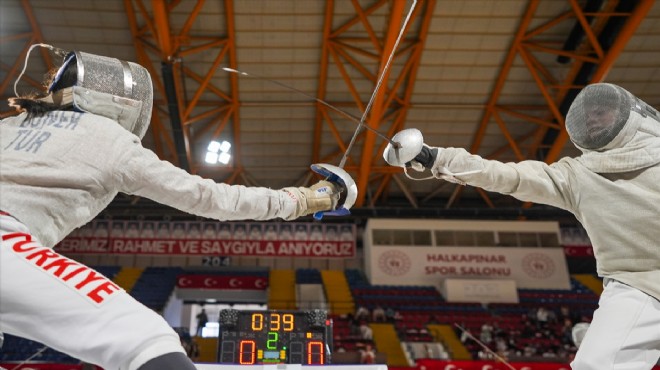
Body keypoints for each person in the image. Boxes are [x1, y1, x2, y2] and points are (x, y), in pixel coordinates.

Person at [0, 45, 344, 370]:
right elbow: (211, 198)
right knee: (145, 336)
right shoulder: (109, 137)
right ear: (118, 99)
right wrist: (307, 200)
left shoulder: (8, 124)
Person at [390, 82, 660, 370]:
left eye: (601, 112)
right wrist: (437, 158)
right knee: (595, 364)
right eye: (588, 116)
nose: (593, 119)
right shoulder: (576, 175)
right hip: (636, 285)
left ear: (629, 113)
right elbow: (509, 176)